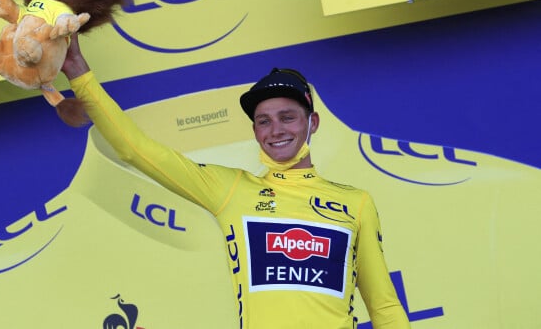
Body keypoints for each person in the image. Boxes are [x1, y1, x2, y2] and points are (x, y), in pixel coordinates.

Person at [62, 33, 411, 329]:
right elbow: (136, 151)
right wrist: (80, 75)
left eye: (287, 117)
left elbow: (385, 309)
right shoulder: (231, 190)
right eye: (263, 121)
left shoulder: (356, 202)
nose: (275, 130)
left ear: (313, 122)